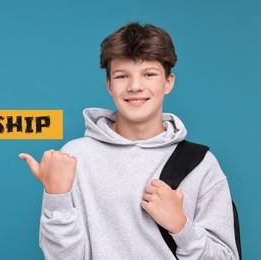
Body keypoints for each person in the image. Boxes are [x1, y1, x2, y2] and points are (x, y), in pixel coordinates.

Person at [19, 22, 239, 259]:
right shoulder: (74, 158)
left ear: (168, 82)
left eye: (149, 74)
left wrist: (180, 226)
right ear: (109, 85)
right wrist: (57, 197)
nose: (135, 86)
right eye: (122, 76)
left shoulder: (200, 165)